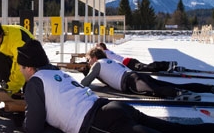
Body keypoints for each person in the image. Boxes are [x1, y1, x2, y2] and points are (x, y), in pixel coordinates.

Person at [17, 39, 214, 133]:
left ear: (29, 68)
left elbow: (33, 127)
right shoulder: (55, 73)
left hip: (98, 122)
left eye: (20, 67)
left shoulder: (35, 83)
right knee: (174, 129)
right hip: (111, 107)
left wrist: (18, 119)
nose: (19, 70)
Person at [81, 47, 214, 100]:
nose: (89, 62)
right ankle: (208, 88)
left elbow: (85, 83)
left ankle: (178, 94)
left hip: (130, 82)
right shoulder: (109, 61)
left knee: (156, 90)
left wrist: (84, 71)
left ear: (94, 58)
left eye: (88, 60)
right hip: (136, 75)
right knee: (165, 84)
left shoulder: (97, 64)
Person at [97, 42, 176, 72]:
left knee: (147, 67)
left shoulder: (104, 53)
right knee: (147, 67)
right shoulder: (107, 51)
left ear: (102, 47)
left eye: (98, 47)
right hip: (129, 61)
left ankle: (166, 65)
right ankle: (165, 66)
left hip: (128, 63)